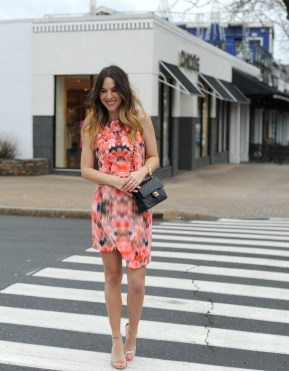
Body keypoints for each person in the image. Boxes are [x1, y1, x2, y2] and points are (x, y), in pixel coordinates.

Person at [81, 65, 159, 369]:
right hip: (107, 207)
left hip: (137, 209)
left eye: (114, 89)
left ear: (123, 90)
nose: (109, 96)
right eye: (103, 90)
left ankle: (132, 333)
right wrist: (114, 180)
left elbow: (154, 156)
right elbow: (86, 170)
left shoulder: (139, 118)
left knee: (136, 283)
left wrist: (140, 172)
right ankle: (115, 339)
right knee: (112, 277)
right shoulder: (92, 123)